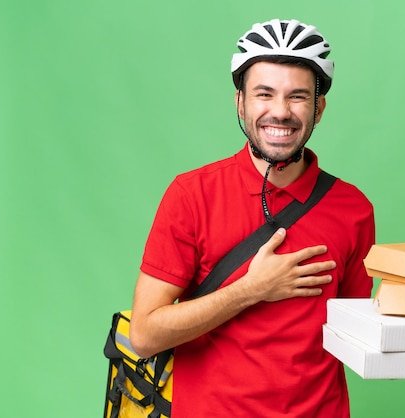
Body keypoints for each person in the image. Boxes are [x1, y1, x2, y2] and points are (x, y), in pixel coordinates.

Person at [129, 18, 375, 417]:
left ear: (319, 108)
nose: (280, 112)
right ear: (240, 102)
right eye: (264, 94)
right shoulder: (191, 195)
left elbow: (353, 332)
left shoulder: (354, 208)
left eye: (297, 96)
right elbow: (143, 335)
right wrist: (250, 289)